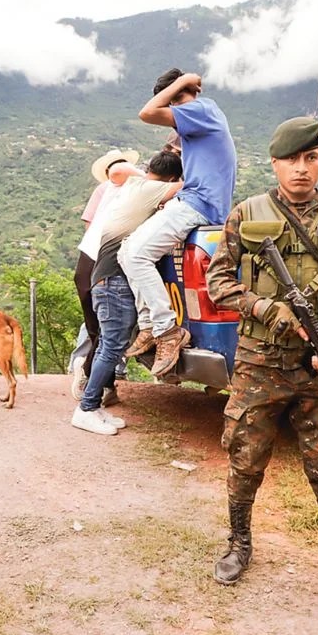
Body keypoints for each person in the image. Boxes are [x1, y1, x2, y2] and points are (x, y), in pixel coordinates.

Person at [205, 117, 318, 614]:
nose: (301, 169)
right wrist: (266, 308)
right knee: (245, 457)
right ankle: (239, 543)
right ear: (275, 164)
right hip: (259, 362)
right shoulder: (247, 213)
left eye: (310, 159)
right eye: (291, 160)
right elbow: (218, 282)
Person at [121, 69, 237, 377]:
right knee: (126, 251)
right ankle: (149, 325)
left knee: (137, 255)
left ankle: (167, 330)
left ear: (175, 98)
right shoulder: (199, 118)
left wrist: (183, 82)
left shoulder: (201, 109)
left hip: (199, 203)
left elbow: (147, 113)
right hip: (191, 199)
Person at [71, 150, 184, 435]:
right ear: (171, 177)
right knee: (111, 346)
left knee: (110, 345)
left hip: (107, 280)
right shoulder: (149, 188)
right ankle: (86, 409)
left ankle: (93, 406)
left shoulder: (135, 187)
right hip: (113, 282)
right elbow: (193, 186)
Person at [71, 148, 139, 402]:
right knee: (103, 327)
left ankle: (100, 382)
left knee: (101, 326)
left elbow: (89, 223)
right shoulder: (117, 188)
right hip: (100, 257)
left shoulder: (119, 189)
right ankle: (92, 374)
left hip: (92, 257)